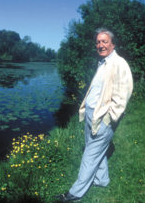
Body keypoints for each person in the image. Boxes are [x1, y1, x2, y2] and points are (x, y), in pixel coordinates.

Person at [56, 28, 133, 202]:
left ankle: (75, 194)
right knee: (96, 150)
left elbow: (123, 95)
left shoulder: (119, 63)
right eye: (98, 42)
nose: (100, 45)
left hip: (103, 118)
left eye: (104, 41)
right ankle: (102, 180)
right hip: (92, 114)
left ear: (113, 44)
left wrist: (109, 118)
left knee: (89, 155)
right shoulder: (103, 62)